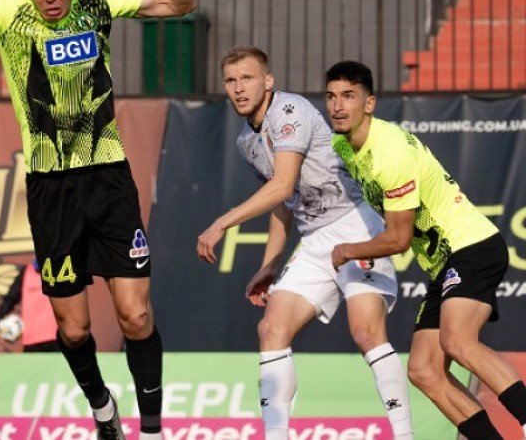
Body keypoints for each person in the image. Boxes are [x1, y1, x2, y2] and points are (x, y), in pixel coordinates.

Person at [0, 0, 195, 440]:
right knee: (73, 329)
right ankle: (101, 407)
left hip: (108, 179)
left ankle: (154, 430)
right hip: (51, 188)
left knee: (136, 317)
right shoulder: (10, 12)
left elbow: (179, 3)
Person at [196, 47, 412, 440]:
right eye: (231, 80)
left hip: (355, 225)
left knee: (366, 332)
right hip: (314, 241)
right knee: (271, 329)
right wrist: (269, 265)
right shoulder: (246, 140)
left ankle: (404, 435)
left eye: (247, 78)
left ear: (268, 81)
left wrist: (221, 222)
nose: (239, 88)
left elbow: (282, 184)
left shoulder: (289, 111)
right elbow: (282, 202)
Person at [325, 61, 526, 440]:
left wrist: (350, 249)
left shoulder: (390, 153)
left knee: (458, 340)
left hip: (471, 246)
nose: (337, 106)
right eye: (331, 96)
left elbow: (398, 240)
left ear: (369, 104)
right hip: (442, 263)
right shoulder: (341, 144)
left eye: (348, 96)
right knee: (424, 370)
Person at [0, 259, 59, 352]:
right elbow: (10, 299)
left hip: (58, 339)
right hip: (32, 341)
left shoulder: (61, 269)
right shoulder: (26, 272)